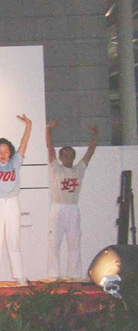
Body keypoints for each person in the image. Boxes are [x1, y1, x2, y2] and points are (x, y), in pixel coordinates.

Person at [0, 112, 32, 285]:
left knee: (13, 241)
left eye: (6, 151)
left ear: (11, 153)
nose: (3, 154)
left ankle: (19, 276)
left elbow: (24, 144)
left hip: (12, 203)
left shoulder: (14, 163)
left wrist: (28, 126)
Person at [46, 120, 98, 280]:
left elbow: (90, 151)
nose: (67, 157)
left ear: (74, 157)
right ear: (60, 157)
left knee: (74, 242)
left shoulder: (79, 169)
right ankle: (53, 275)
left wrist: (95, 134)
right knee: (54, 242)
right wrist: (48, 129)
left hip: (72, 208)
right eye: (65, 155)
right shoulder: (56, 168)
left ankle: (74, 275)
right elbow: (50, 148)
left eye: (70, 155)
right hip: (58, 208)